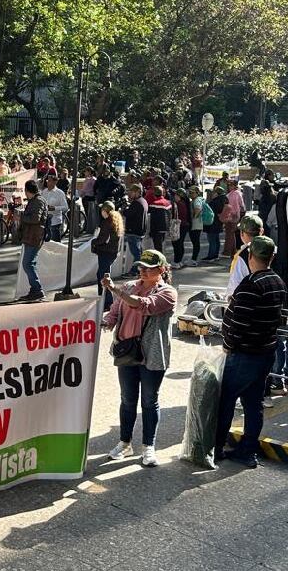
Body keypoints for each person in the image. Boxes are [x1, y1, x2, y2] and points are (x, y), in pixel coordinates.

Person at [212, 235, 287, 468]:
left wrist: (228, 344)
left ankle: (216, 448)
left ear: (250, 256)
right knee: (254, 404)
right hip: (265, 352)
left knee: (226, 401)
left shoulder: (251, 284)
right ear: (271, 257)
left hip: (245, 354)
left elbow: (238, 324)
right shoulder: (277, 281)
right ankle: (247, 450)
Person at [101, 249, 177, 467]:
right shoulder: (129, 286)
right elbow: (115, 312)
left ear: (161, 270)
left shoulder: (168, 292)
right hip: (126, 351)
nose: (142, 271)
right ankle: (125, 443)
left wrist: (114, 289)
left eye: (148, 268)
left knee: (149, 400)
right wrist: (105, 322)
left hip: (152, 354)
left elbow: (143, 305)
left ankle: (148, 447)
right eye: (141, 267)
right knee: (127, 400)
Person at [17, 180, 47, 302]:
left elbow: (35, 219)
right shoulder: (36, 200)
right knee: (30, 263)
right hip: (32, 235)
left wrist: (21, 217)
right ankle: (35, 289)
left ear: (28, 191)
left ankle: (37, 289)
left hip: (34, 236)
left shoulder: (38, 201)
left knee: (27, 264)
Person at [226, 215, 264, 297]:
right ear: (262, 231)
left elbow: (235, 285)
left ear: (242, 233)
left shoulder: (242, 255)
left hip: (248, 300)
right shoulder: (272, 249)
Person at [123, 184, 148, 271]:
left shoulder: (136, 203)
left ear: (137, 192)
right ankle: (139, 270)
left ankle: (135, 271)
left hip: (133, 231)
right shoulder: (143, 201)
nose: (130, 194)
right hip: (140, 230)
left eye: (132, 192)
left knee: (136, 253)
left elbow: (128, 214)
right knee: (138, 252)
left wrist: (124, 209)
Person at [41, 174, 69, 241]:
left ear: (55, 182)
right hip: (45, 221)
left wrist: (54, 208)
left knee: (55, 242)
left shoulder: (60, 193)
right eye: (47, 180)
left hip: (55, 221)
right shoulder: (44, 192)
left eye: (49, 181)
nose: (47, 182)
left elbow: (65, 207)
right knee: (46, 242)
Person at [223, 180, 244, 257]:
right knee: (232, 233)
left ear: (235, 185)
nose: (229, 186)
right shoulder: (238, 193)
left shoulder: (231, 195)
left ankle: (227, 251)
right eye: (229, 185)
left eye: (231, 185)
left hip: (231, 215)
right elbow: (242, 205)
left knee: (229, 234)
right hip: (236, 215)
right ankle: (232, 251)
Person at [171, 189, 191, 267]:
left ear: (180, 196)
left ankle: (177, 261)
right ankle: (179, 261)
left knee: (176, 244)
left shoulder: (178, 204)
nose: (174, 197)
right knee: (180, 243)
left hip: (179, 225)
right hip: (184, 225)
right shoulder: (185, 203)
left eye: (176, 195)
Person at [188, 187, 206, 266]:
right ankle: (193, 259)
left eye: (193, 193)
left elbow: (198, 209)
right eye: (190, 192)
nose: (191, 194)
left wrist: (193, 217)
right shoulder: (199, 199)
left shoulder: (196, 200)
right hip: (198, 224)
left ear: (197, 193)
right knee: (195, 242)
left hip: (196, 224)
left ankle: (194, 260)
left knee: (195, 242)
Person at [80, 167, 98, 235]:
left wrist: (85, 192)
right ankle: (87, 226)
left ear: (90, 172)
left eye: (86, 171)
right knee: (86, 212)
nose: (85, 173)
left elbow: (93, 189)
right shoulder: (86, 179)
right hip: (85, 197)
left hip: (90, 197)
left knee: (89, 213)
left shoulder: (93, 179)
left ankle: (90, 226)